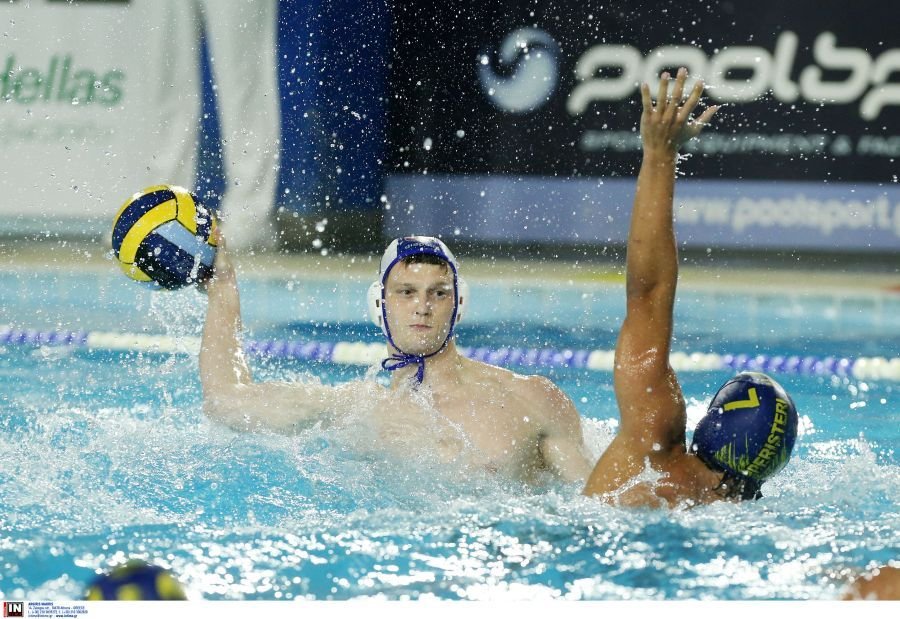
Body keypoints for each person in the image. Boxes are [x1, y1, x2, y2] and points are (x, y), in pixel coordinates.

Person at [200, 234, 592, 484]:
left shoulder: (530, 399)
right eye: (406, 292)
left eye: (438, 293)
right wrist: (223, 290)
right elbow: (226, 402)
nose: (422, 306)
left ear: (459, 305)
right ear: (379, 304)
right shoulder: (356, 408)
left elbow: (595, 506)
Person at [582, 68, 799, 506]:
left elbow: (649, 294)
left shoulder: (653, 447)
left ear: (713, 423)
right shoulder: (737, 511)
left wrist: (659, 155)